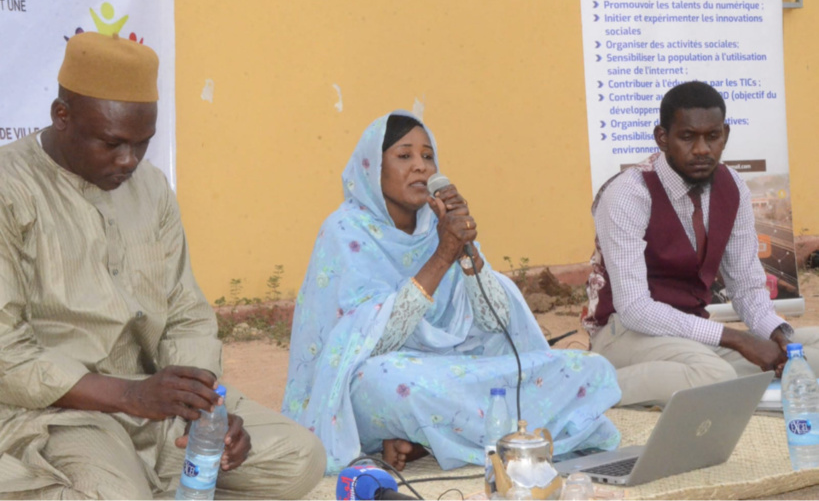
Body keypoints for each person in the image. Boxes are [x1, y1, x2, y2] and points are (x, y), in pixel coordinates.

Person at [0, 32, 325, 499]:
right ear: (62, 116)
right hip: (57, 411)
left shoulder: (151, 189)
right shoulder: (9, 188)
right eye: (112, 143)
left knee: (298, 458)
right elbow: (7, 354)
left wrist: (203, 407)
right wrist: (130, 397)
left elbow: (186, 312)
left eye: (142, 143)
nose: (129, 160)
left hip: (154, 402)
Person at [282, 110, 622, 473]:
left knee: (587, 369)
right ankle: (491, 434)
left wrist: (464, 250)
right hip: (385, 376)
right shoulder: (345, 231)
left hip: (458, 369)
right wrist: (443, 254)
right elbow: (372, 345)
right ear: (371, 168)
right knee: (393, 384)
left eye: (428, 156)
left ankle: (430, 439)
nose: (420, 167)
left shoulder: (440, 225)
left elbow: (496, 321)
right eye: (404, 155)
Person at [582, 80, 819, 407]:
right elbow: (635, 309)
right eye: (687, 137)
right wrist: (738, 339)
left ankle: (692, 385)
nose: (702, 149)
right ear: (662, 138)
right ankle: (583, 391)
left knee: (807, 352)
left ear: (726, 134)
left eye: (713, 136)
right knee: (714, 375)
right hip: (624, 335)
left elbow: (747, 287)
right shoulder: (628, 194)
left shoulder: (732, 185)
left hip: (692, 334)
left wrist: (776, 334)